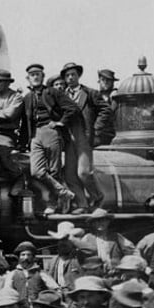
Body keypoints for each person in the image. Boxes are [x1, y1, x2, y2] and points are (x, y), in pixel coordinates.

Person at [23, 63, 78, 214]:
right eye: (32, 75)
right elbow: (25, 121)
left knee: (54, 171)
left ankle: (52, 204)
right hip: (35, 134)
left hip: (51, 131)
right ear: (28, 78)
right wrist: (23, 142)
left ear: (42, 77)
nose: (35, 77)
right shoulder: (27, 97)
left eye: (38, 74)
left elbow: (72, 108)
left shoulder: (52, 92)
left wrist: (60, 122)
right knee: (36, 171)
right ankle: (63, 192)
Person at [60, 62, 108, 211]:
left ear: (78, 75)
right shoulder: (61, 95)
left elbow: (105, 110)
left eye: (73, 74)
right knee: (70, 176)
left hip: (84, 136)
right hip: (68, 138)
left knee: (84, 172)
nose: (70, 78)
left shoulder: (90, 93)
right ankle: (82, 204)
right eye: (67, 75)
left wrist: (96, 129)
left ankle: (98, 197)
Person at [70, 208, 137, 275]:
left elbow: (131, 250)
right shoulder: (88, 237)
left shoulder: (116, 237)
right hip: (94, 272)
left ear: (108, 222)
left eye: (103, 220)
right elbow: (78, 253)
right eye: (97, 221)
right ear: (93, 223)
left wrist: (122, 264)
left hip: (114, 273)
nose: (100, 223)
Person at [0, 70, 25, 181]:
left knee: (4, 153)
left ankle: (19, 178)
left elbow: (9, 115)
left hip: (7, 134)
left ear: (8, 83)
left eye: (0, 81)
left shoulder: (15, 97)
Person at [95, 69, 118, 145]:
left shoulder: (115, 96)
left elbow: (111, 112)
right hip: (98, 132)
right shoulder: (95, 96)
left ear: (112, 82)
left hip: (112, 133)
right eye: (103, 80)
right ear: (99, 81)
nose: (105, 82)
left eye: (108, 80)